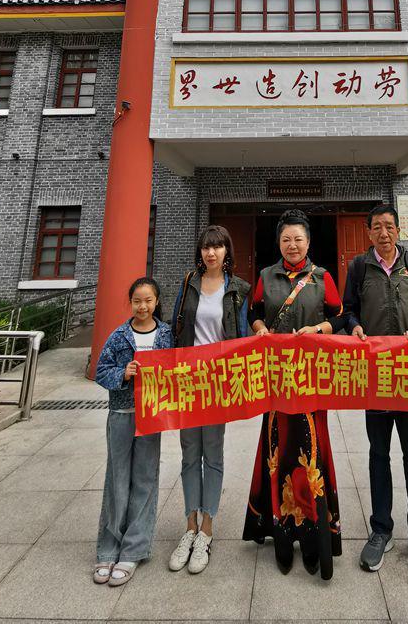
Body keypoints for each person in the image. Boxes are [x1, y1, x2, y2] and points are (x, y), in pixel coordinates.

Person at [343, 203, 408, 579]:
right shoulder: (359, 267)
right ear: (369, 232)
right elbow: (348, 311)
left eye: (389, 226)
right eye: (377, 227)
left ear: (398, 230)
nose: (383, 233)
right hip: (375, 375)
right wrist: (354, 326)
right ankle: (381, 528)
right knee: (378, 454)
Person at [242, 208, 345, 580]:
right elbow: (253, 312)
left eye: (298, 238)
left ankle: (315, 536)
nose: (292, 244)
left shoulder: (322, 277)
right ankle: (282, 535)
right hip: (276, 379)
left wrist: (319, 329)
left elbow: (340, 317)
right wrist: (258, 327)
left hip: (311, 379)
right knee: (279, 451)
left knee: (312, 452)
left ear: (308, 241)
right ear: (279, 243)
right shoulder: (266, 276)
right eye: (286, 239)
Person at [167, 224, 251, 575]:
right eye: (206, 247)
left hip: (217, 383)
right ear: (200, 252)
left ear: (227, 251)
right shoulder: (188, 284)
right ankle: (189, 525)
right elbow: (174, 329)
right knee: (190, 454)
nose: (211, 252)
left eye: (217, 246)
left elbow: (243, 335)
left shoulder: (238, 289)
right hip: (189, 380)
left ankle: (207, 530)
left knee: (212, 455)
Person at [94, 276, 172, 586]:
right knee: (117, 478)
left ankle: (134, 549)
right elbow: (101, 371)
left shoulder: (166, 334)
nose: (143, 306)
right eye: (137, 301)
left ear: (156, 302)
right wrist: (123, 374)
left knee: (144, 479)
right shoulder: (118, 336)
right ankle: (108, 548)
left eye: (148, 300)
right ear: (131, 303)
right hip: (122, 414)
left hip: (151, 417)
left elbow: (178, 369)